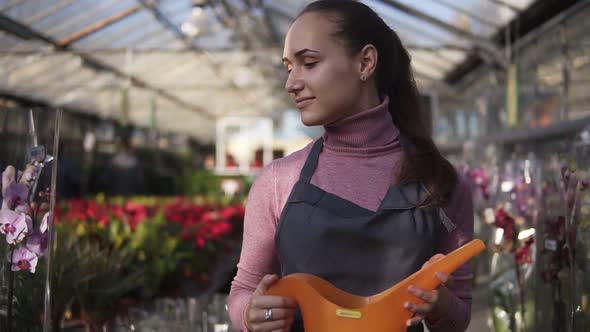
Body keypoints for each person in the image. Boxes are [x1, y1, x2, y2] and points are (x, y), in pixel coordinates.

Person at [228, 1, 474, 331]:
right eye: (289, 67)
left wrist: (440, 305)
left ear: (365, 62)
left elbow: (460, 315)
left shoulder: (439, 182)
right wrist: (251, 314)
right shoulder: (278, 181)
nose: (291, 83)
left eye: (309, 63)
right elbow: (243, 290)